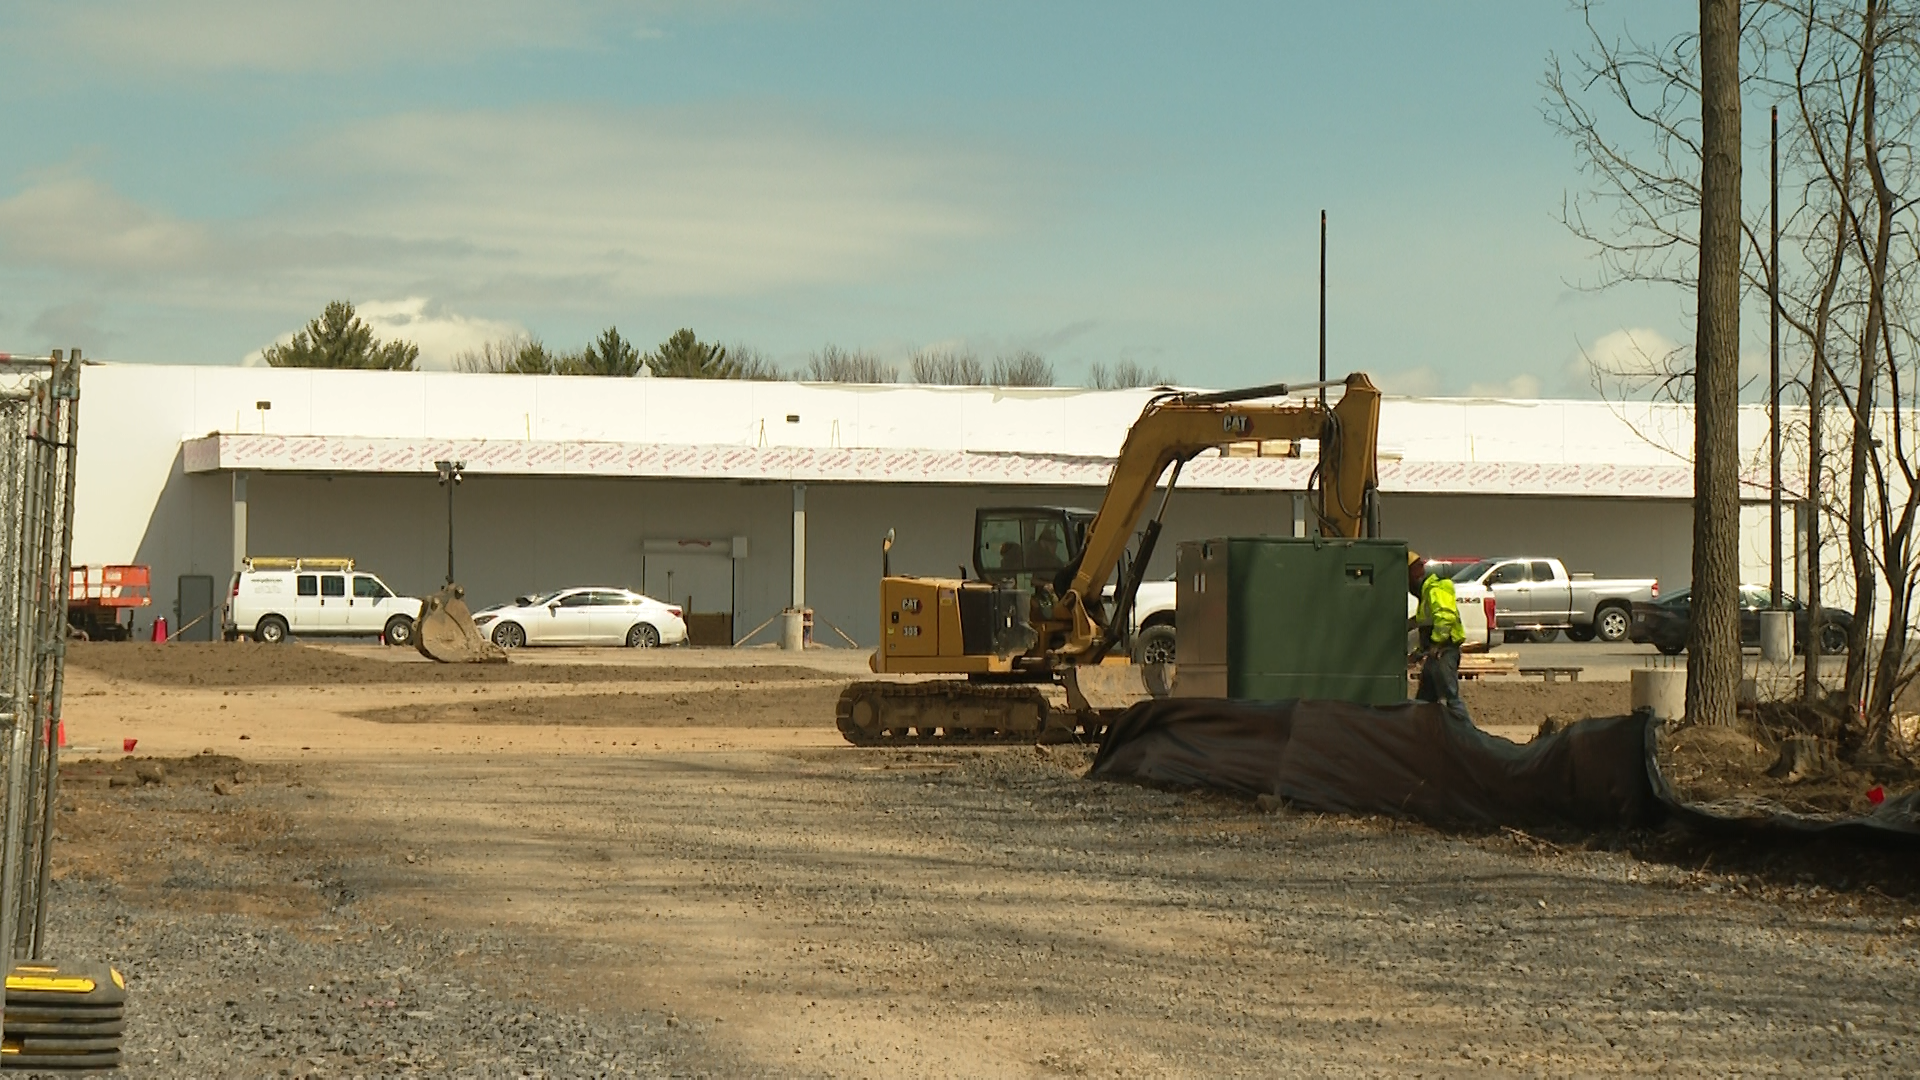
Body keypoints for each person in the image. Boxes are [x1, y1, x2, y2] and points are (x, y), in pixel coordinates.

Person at [1408, 551, 1470, 721]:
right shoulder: (1426, 594)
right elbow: (1428, 623)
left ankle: (1465, 734)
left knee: (1450, 698)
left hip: (1444, 652)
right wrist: (1420, 651)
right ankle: (1419, 733)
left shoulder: (1435, 589)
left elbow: (1445, 618)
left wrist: (1436, 644)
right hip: (1435, 654)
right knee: (1424, 701)